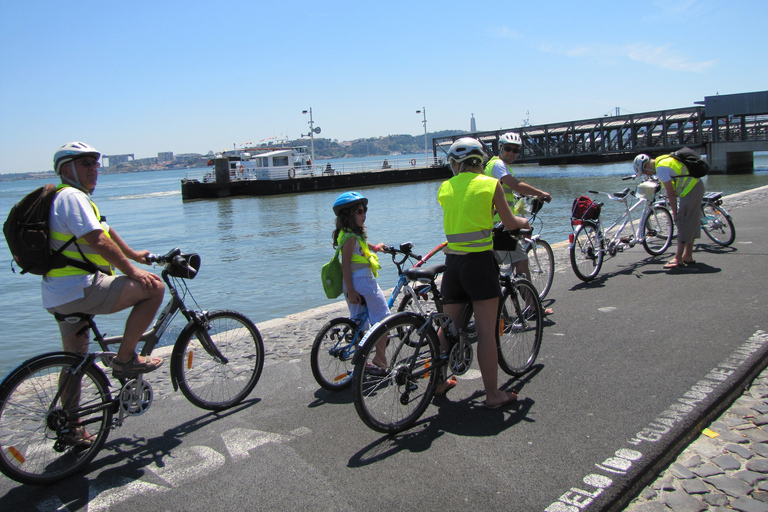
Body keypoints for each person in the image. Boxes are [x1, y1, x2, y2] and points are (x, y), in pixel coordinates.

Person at [44, 142, 166, 434]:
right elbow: (97, 241)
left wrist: (134, 254)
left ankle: (72, 427)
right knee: (155, 287)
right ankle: (126, 359)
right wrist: (134, 270)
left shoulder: (66, 198)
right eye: (86, 163)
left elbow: (105, 230)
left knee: (74, 361)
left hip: (57, 293)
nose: (94, 169)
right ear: (66, 169)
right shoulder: (72, 197)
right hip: (81, 288)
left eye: (96, 163)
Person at [437, 138, 531, 408]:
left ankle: (439, 382)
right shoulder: (490, 184)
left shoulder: (444, 188)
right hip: (479, 263)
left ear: (455, 164)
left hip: (452, 265)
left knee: (447, 329)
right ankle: (493, 395)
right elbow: (509, 222)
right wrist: (523, 222)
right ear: (480, 161)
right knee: (487, 332)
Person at [484, 132, 553, 314]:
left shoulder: (495, 166)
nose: (512, 153)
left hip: (491, 225)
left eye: (516, 150)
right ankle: (532, 307)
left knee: (495, 270)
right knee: (521, 262)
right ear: (500, 148)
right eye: (508, 149)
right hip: (502, 227)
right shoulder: (499, 165)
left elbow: (506, 191)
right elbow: (513, 184)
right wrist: (539, 193)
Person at [331, 191, 389, 369]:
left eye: (364, 211)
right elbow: (345, 265)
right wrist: (352, 290)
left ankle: (361, 361)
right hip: (362, 282)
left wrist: (376, 247)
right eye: (359, 212)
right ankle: (380, 359)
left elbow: (364, 245)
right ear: (349, 214)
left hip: (353, 284)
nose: (364, 215)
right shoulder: (349, 239)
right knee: (383, 318)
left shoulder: (350, 234)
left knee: (358, 321)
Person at [634, 153, 706, 268]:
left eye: (645, 171)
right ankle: (688, 256)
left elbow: (671, 193)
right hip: (695, 187)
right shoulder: (662, 160)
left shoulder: (661, 169)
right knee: (691, 222)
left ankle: (678, 259)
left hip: (691, 190)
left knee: (683, 221)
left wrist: (675, 213)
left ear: (648, 164)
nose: (646, 174)